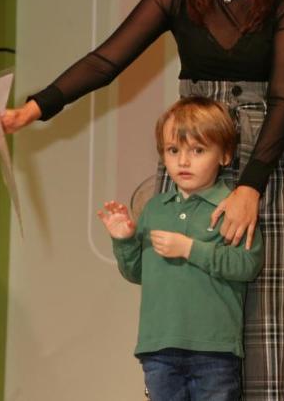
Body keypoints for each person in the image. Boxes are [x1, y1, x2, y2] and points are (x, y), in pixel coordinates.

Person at [0, 0, 284, 400]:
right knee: (187, 311)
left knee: (267, 331)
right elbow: (107, 60)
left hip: (264, 161)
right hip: (194, 148)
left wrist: (251, 186)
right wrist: (30, 110)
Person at [99, 97, 262, 401]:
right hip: (158, 347)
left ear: (224, 155)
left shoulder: (232, 208)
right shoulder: (154, 209)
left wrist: (190, 249)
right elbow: (137, 272)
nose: (183, 161)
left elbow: (246, 264)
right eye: (174, 151)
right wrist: (123, 240)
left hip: (215, 349)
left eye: (198, 151)